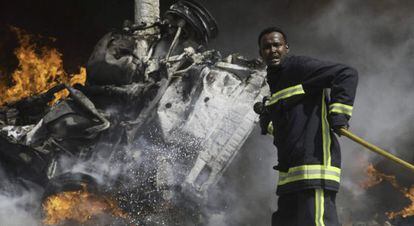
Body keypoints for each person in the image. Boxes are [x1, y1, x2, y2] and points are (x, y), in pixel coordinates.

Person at [256, 27, 358, 226]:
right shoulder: (274, 81)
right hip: (290, 176)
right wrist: (268, 121)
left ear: (286, 47)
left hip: (315, 168)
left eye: (277, 45)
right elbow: (289, 127)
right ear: (261, 53)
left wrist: (338, 114)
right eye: (267, 47)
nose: (273, 50)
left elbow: (346, 73)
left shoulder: (299, 67)